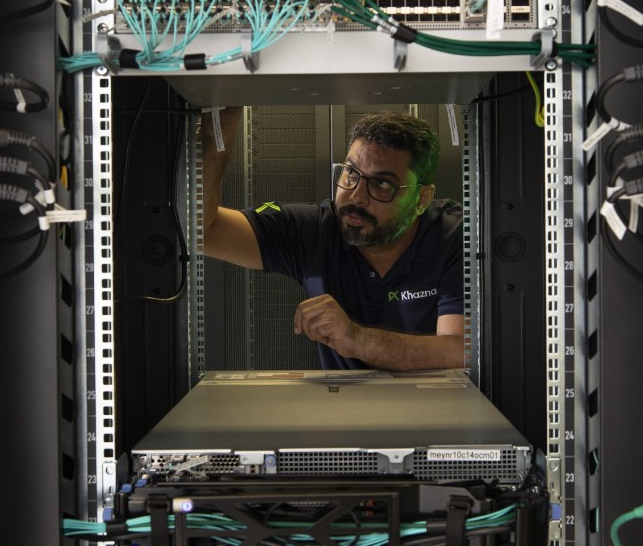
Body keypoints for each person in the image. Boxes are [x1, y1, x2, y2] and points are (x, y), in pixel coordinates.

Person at [199, 107, 466, 371]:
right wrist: (221, 123)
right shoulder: (316, 231)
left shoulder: (453, 235)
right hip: (341, 409)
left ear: (421, 199)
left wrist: (357, 339)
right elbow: (205, 232)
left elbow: (460, 352)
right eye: (351, 174)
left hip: (432, 407)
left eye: (382, 184)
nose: (356, 197)